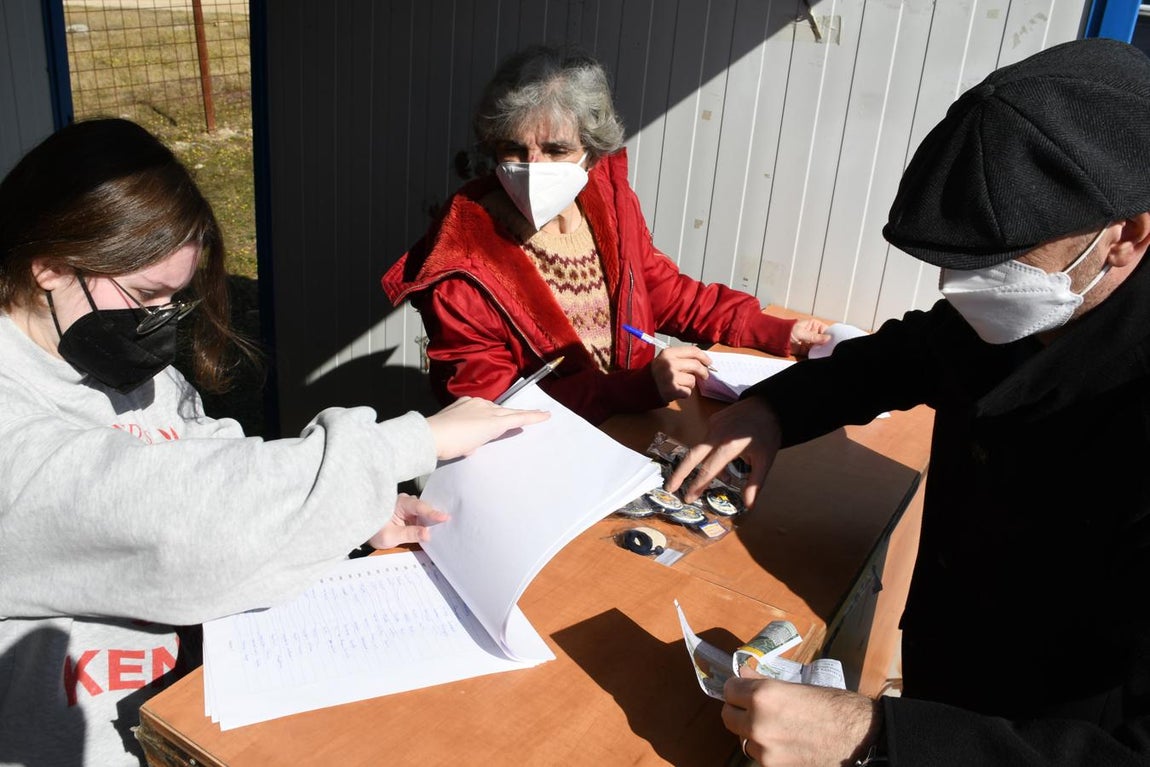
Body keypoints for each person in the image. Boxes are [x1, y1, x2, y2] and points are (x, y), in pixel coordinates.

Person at [0, 118, 548, 766]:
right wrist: (412, 441)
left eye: (173, 301)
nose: (159, 327)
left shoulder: (121, 364)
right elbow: (181, 516)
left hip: (203, 709)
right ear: (51, 264)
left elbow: (221, 461)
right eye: (146, 297)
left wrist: (353, 508)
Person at [667, 38, 1150, 766]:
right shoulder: (1038, 310)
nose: (963, 288)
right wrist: (773, 409)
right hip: (948, 677)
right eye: (955, 261)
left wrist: (873, 738)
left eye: (1001, 261)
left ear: (1126, 235)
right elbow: (911, 353)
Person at [382, 45, 829, 425]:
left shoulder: (608, 204)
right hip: (550, 464)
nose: (534, 168)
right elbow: (494, 411)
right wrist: (637, 388)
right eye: (513, 149)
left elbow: (664, 292)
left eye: (557, 150)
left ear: (594, 155)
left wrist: (778, 333)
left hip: (627, 432)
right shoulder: (463, 264)